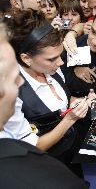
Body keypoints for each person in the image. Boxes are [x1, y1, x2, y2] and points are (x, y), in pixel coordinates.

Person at [0, 22, 88, 189]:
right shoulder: (12, 91)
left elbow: (61, 98)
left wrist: (72, 101)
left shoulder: (51, 67)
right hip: (49, 158)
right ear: (26, 58)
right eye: (52, 59)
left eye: (60, 55)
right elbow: (35, 145)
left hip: (70, 146)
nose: (61, 62)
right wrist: (69, 119)